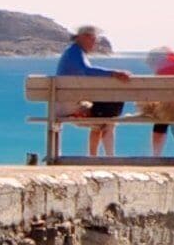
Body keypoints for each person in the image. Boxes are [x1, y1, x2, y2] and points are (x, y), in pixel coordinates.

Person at [54, 26, 129, 155]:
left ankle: (93, 157)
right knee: (108, 119)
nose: (95, 43)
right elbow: (87, 71)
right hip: (69, 107)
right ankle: (109, 158)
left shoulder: (71, 52)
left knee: (103, 114)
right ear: (83, 37)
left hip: (61, 104)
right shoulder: (75, 53)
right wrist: (113, 73)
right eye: (93, 39)